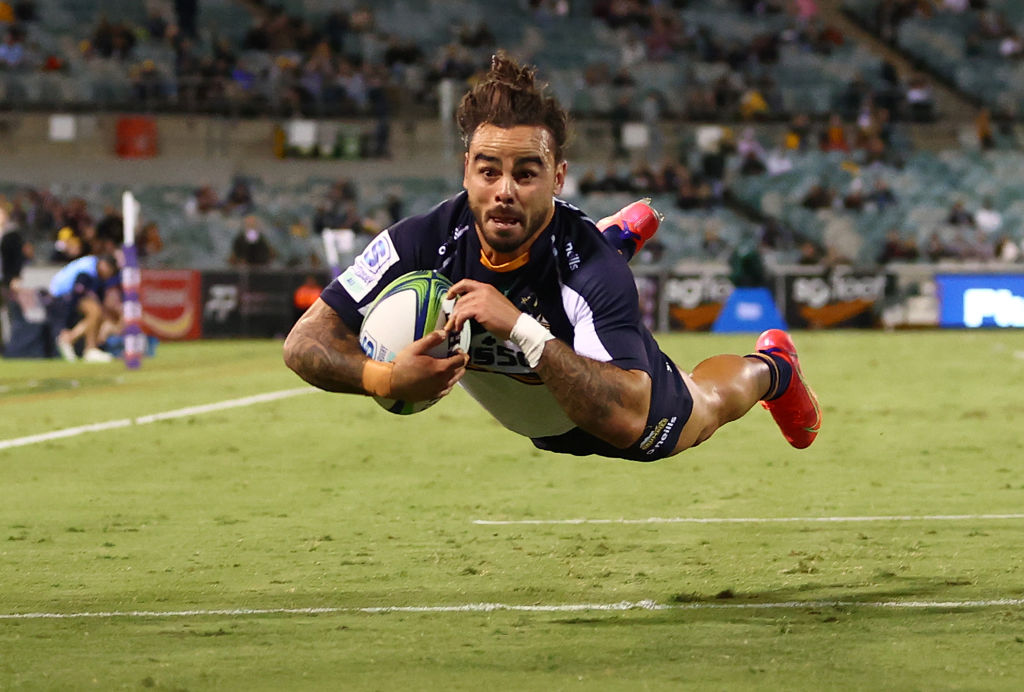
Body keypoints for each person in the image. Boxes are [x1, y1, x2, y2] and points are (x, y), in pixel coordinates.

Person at [283, 53, 821, 460]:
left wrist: (522, 328)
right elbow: (304, 343)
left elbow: (626, 416)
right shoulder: (420, 243)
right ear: (466, 170)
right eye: (489, 171)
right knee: (558, 265)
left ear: (557, 177)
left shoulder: (590, 273)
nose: (505, 190)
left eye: (526, 173)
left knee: (704, 408)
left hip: (603, 409)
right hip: (539, 408)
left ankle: (773, 367)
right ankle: (613, 235)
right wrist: (385, 379)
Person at [48, 253, 121, 362]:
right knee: (95, 311)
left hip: (69, 297)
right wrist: (65, 324)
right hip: (62, 296)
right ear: (104, 265)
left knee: (96, 313)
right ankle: (81, 345)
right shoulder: (87, 270)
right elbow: (76, 295)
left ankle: (81, 344)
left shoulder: (97, 274)